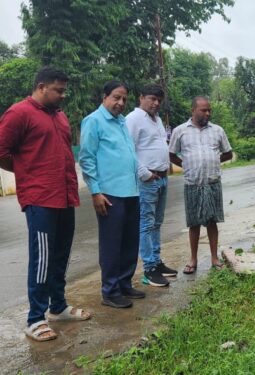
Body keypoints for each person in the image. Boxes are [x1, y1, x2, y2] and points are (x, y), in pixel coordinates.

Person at [0, 67, 91, 342]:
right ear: (41, 87)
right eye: (59, 91)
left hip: (65, 194)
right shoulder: (19, 113)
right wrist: (27, 172)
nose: (63, 96)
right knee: (42, 259)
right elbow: (2, 151)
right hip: (40, 197)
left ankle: (58, 307)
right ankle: (35, 318)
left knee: (61, 254)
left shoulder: (60, 117)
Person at [79, 81, 143, 308]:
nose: (120, 103)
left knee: (129, 242)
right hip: (109, 193)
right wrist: (95, 192)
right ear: (105, 97)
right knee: (111, 244)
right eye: (116, 97)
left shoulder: (121, 122)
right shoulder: (93, 121)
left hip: (131, 192)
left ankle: (124, 283)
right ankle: (110, 291)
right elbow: (86, 159)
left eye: (124, 99)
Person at [169, 96, 232, 274]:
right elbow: (172, 154)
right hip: (192, 184)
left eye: (209, 110)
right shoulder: (180, 131)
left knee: (212, 221)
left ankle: (214, 258)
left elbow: (228, 153)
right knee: (194, 223)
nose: (208, 113)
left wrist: (213, 161)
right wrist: (187, 165)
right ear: (193, 110)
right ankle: (193, 259)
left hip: (212, 183)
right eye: (204, 110)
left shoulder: (218, 130)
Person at [126, 84, 177, 288]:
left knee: (157, 222)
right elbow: (128, 150)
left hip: (161, 178)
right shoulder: (134, 119)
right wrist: (144, 174)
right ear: (141, 97)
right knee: (146, 224)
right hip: (147, 180)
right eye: (152, 99)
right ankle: (149, 269)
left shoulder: (156, 120)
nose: (155, 103)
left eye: (158, 100)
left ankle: (156, 261)